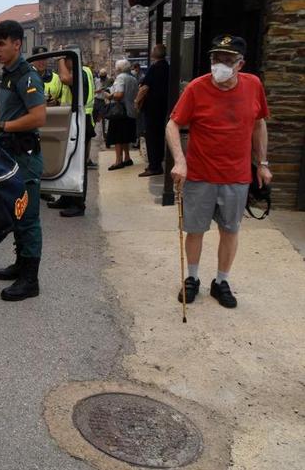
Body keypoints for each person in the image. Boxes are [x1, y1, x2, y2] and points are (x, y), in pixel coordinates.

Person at [167, 34, 272, 309]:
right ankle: (192, 278)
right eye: (215, 59)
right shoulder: (196, 88)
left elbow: (259, 125)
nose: (219, 65)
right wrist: (180, 160)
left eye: (227, 60)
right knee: (195, 229)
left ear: (240, 64)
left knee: (230, 230)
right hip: (200, 173)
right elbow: (173, 124)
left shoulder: (253, 86)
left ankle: (221, 281)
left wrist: (262, 164)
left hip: (236, 175)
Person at [0, 20, 46, 301]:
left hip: (25, 156)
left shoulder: (28, 77)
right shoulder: (9, 75)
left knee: (28, 217)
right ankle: (21, 264)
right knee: (17, 212)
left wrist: (1, 127)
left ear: (17, 44)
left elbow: (38, 116)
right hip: (11, 157)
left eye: (1, 43)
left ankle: (31, 280)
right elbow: (3, 107)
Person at [46, 53, 96, 217]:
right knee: (69, 158)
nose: (63, 66)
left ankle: (78, 203)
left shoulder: (79, 71)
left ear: (70, 60)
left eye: (64, 61)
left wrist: (59, 59)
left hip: (81, 120)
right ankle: (67, 198)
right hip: (77, 119)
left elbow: (65, 79)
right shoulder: (86, 70)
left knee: (77, 163)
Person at [135, 44, 170, 177]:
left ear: (155, 53)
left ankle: (154, 166)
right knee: (159, 135)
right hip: (162, 107)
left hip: (152, 107)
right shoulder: (166, 67)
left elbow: (144, 88)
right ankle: (158, 162)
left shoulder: (154, 68)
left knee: (151, 137)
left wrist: (136, 102)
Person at [104, 59, 138, 170]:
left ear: (118, 69)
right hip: (130, 111)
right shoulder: (133, 78)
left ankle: (118, 161)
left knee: (117, 137)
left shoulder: (120, 78)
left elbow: (119, 95)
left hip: (120, 112)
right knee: (125, 137)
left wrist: (109, 96)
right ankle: (127, 158)